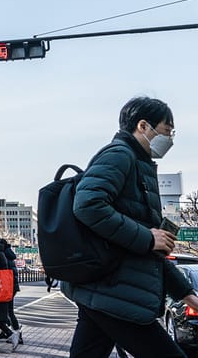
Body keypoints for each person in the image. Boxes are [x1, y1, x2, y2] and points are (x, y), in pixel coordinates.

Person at [63, 97, 198, 358]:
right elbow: (87, 205)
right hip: (117, 293)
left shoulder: (137, 164)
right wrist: (148, 237)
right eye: (167, 130)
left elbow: (147, 252)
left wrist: (185, 294)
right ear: (143, 125)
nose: (170, 138)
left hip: (108, 290)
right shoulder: (120, 155)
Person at [0, 237, 22, 344]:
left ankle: (17, 335)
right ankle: (6, 332)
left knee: (9, 311)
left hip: (8, 286)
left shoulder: (4, 255)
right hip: (11, 286)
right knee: (6, 311)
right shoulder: (8, 254)